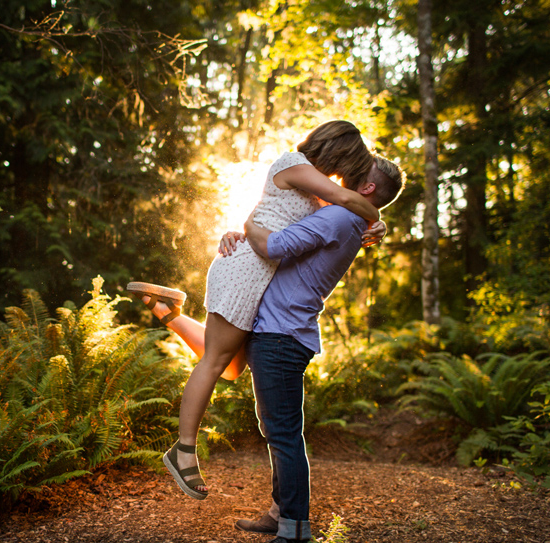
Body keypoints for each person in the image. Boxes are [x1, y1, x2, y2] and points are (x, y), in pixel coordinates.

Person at [128, 121, 387, 501]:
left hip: (256, 271)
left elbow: (293, 215)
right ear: (339, 151)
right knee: (215, 362)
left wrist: (373, 221)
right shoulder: (296, 164)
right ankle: (182, 450)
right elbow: (348, 203)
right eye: (351, 161)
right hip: (245, 270)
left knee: (231, 368)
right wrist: (379, 219)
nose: (349, 172)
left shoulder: (314, 185)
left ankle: (169, 312)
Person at [228, 154, 405, 543]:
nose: (348, 170)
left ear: (368, 189)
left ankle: (293, 537)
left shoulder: (339, 219)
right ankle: (279, 514)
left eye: (359, 171)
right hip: (283, 331)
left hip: (281, 334)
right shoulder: (347, 215)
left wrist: (248, 222)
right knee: (278, 429)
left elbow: (272, 244)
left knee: (284, 434)